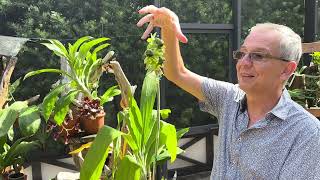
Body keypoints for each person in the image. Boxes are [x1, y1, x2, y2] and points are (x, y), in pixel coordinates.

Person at [137, 5, 320, 180]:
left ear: (287, 70)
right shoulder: (229, 99)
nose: (244, 63)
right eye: (242, 53)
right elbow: (177, 73)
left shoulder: (306, 133)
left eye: (258, 56)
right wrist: (168, 27)